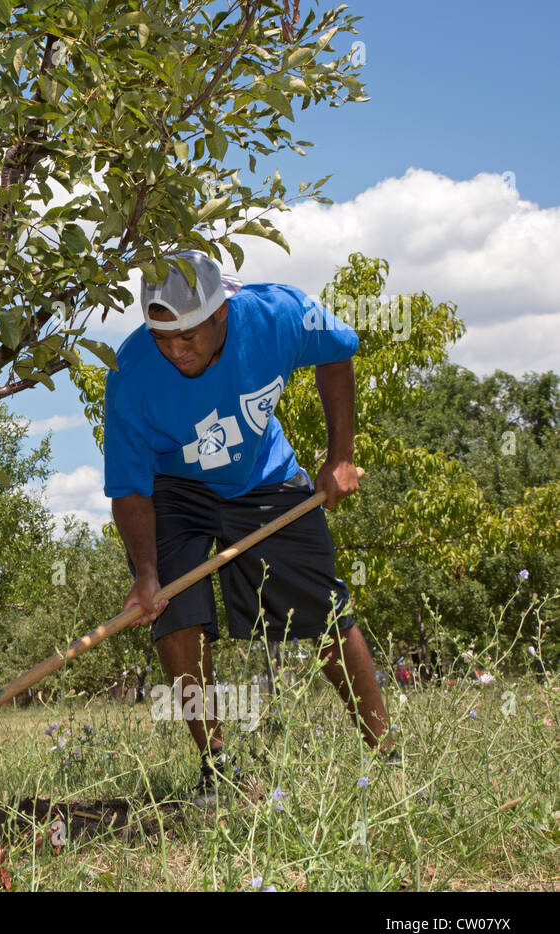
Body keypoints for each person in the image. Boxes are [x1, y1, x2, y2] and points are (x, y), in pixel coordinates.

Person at [102, 249, 400, 806]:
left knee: (324, 607)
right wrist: (146, 575)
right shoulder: (131, 374)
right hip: (175, 487)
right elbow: (129, 488)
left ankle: (386, 754)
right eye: (161, 336)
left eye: (187, 334)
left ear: (222, 314)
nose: (175, 350)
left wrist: (340, 456)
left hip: (265, 476)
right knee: (173, 612)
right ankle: (216, 767)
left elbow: (337, 352)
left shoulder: (277, 314)